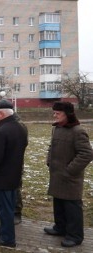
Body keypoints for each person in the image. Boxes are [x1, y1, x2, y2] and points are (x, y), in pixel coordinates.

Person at [44, 101, 93, 248]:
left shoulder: (78, 131)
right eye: (54, 112)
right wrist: (49, 161)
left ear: (68, 114)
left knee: (72, 208)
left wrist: (69, 170)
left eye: (58, 113)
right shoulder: (57, 128)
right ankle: (60, 228)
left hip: (70, 178)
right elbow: (52, 146)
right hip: (57, 175)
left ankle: (75, 236)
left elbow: (86, 154)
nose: (55, 115)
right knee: (58, 204)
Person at [0, 99, 28, 248]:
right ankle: (4, 230)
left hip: (2, 176)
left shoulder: (2, 131)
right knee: (7, 207)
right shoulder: (20, 127)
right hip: (13, 173)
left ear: (1, 113)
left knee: (5, 208)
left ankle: (8, 239)